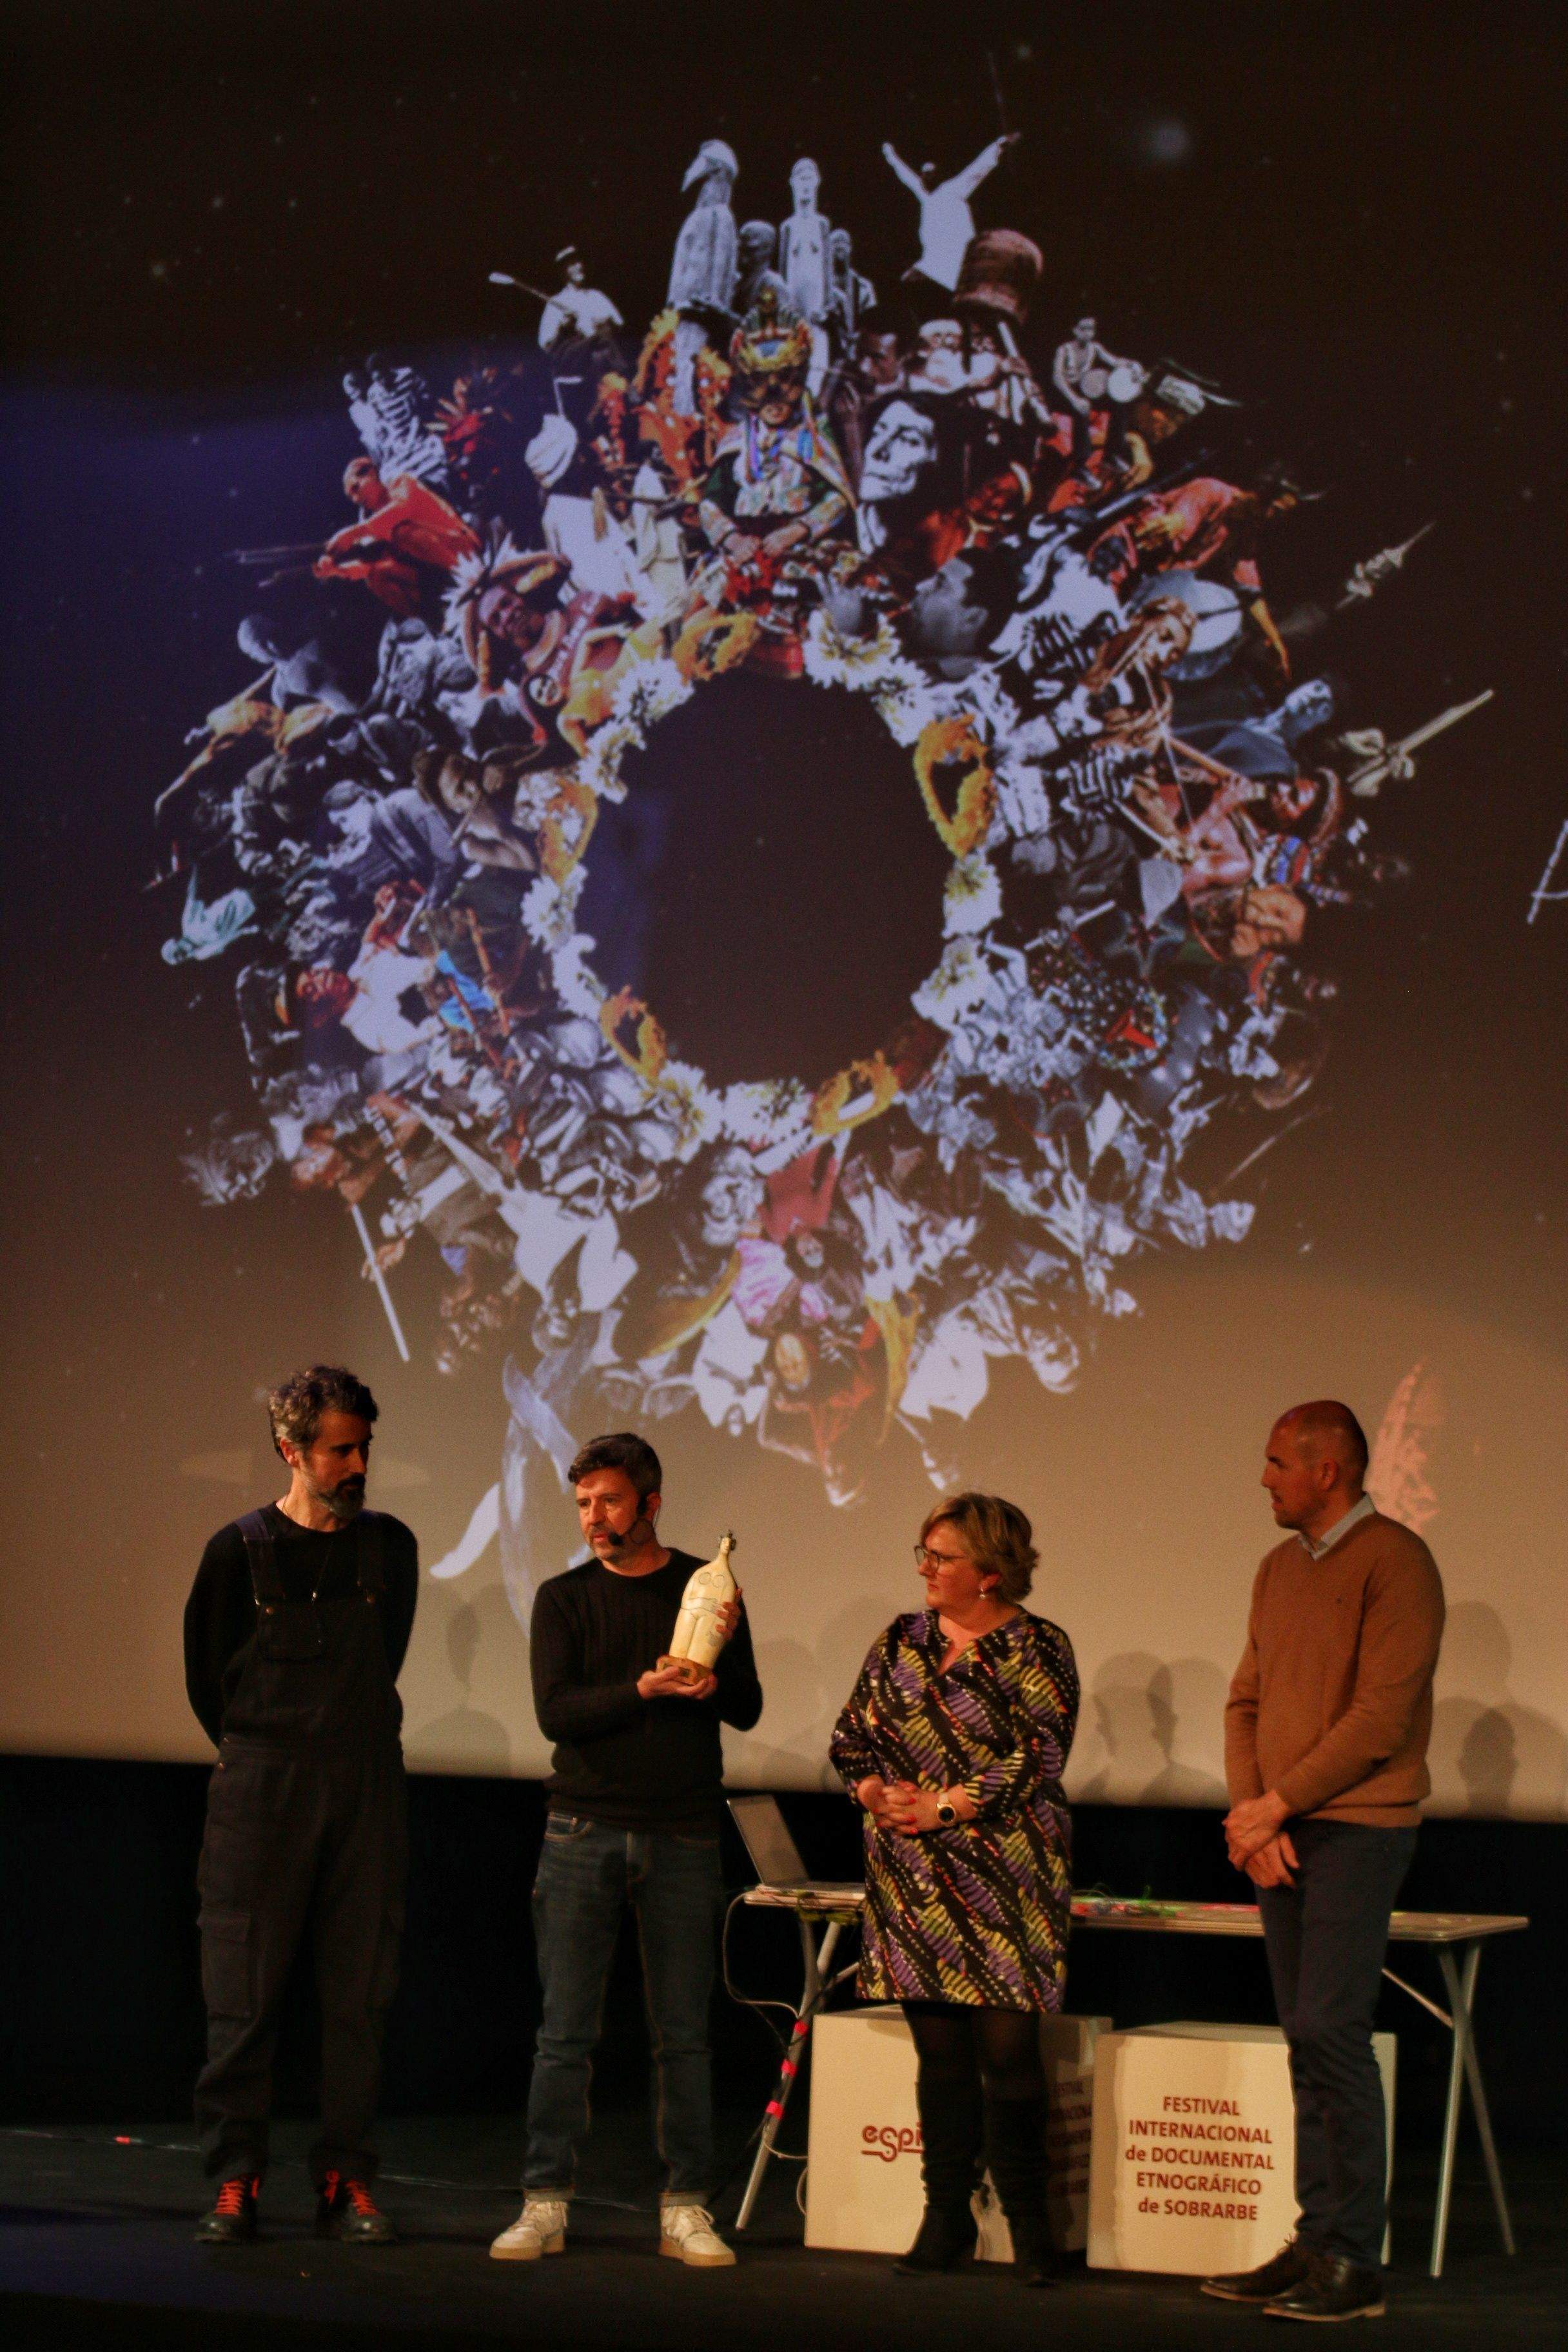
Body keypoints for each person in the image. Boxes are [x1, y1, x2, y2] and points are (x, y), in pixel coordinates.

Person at [491, 1432, 763, 2269]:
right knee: (563, 2033)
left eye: (609, 1502)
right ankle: (544, 2202)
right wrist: (642, 1689)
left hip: (683, 1829)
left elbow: (748, 1707)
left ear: (650, 1503)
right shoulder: (564, 1598)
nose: (594, 1519)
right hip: (583, 1829)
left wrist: (714, 1685)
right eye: (582, 1505)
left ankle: (686, 2206)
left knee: (682, 2032)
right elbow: (556, 1713)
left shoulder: (705, 1588)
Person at [1206, 1401, 1445, 2322]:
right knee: (1304, 2040)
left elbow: (1380, 1720)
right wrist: (1252, 1819)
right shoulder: (1277, 1568)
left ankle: (1353, 2259)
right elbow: (1245, 1703)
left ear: (1327, 1470)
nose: (1263, 1478)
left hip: (1358, 1829)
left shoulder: (1397, 1563)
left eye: (1275, 1463)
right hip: (1286, 1832)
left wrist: (1276, 1805)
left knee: (1332, 2031)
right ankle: (1314, 2239)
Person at [183, 1365, 419, 2245]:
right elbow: (209, 1682)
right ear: (291, 1450)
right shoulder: (234, 1551)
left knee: (358, 1992)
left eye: (364, 1447)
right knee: (241, 1990)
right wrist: (269, 1754)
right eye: (339, 1449)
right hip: (262, 1783)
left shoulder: (389, 1549)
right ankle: (236, 2177)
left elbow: (384, 1656)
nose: (358, 1463)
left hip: (361, 1780)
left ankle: (344, 2176)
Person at [829, 1494, 1079, 2287]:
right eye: (922, 1553)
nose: (924, 1569)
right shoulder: (899, 1641)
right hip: (911, 1877)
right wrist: (873, 1791)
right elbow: (850, 1736)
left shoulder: (1037, 1647)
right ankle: (943, 2219)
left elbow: (1040, 1754)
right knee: (937, 2055)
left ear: (991, 1574)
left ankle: (1030, 2225)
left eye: (941, 1558)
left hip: (1005, 1873)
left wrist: (946, 1804)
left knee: (1007, 2055)